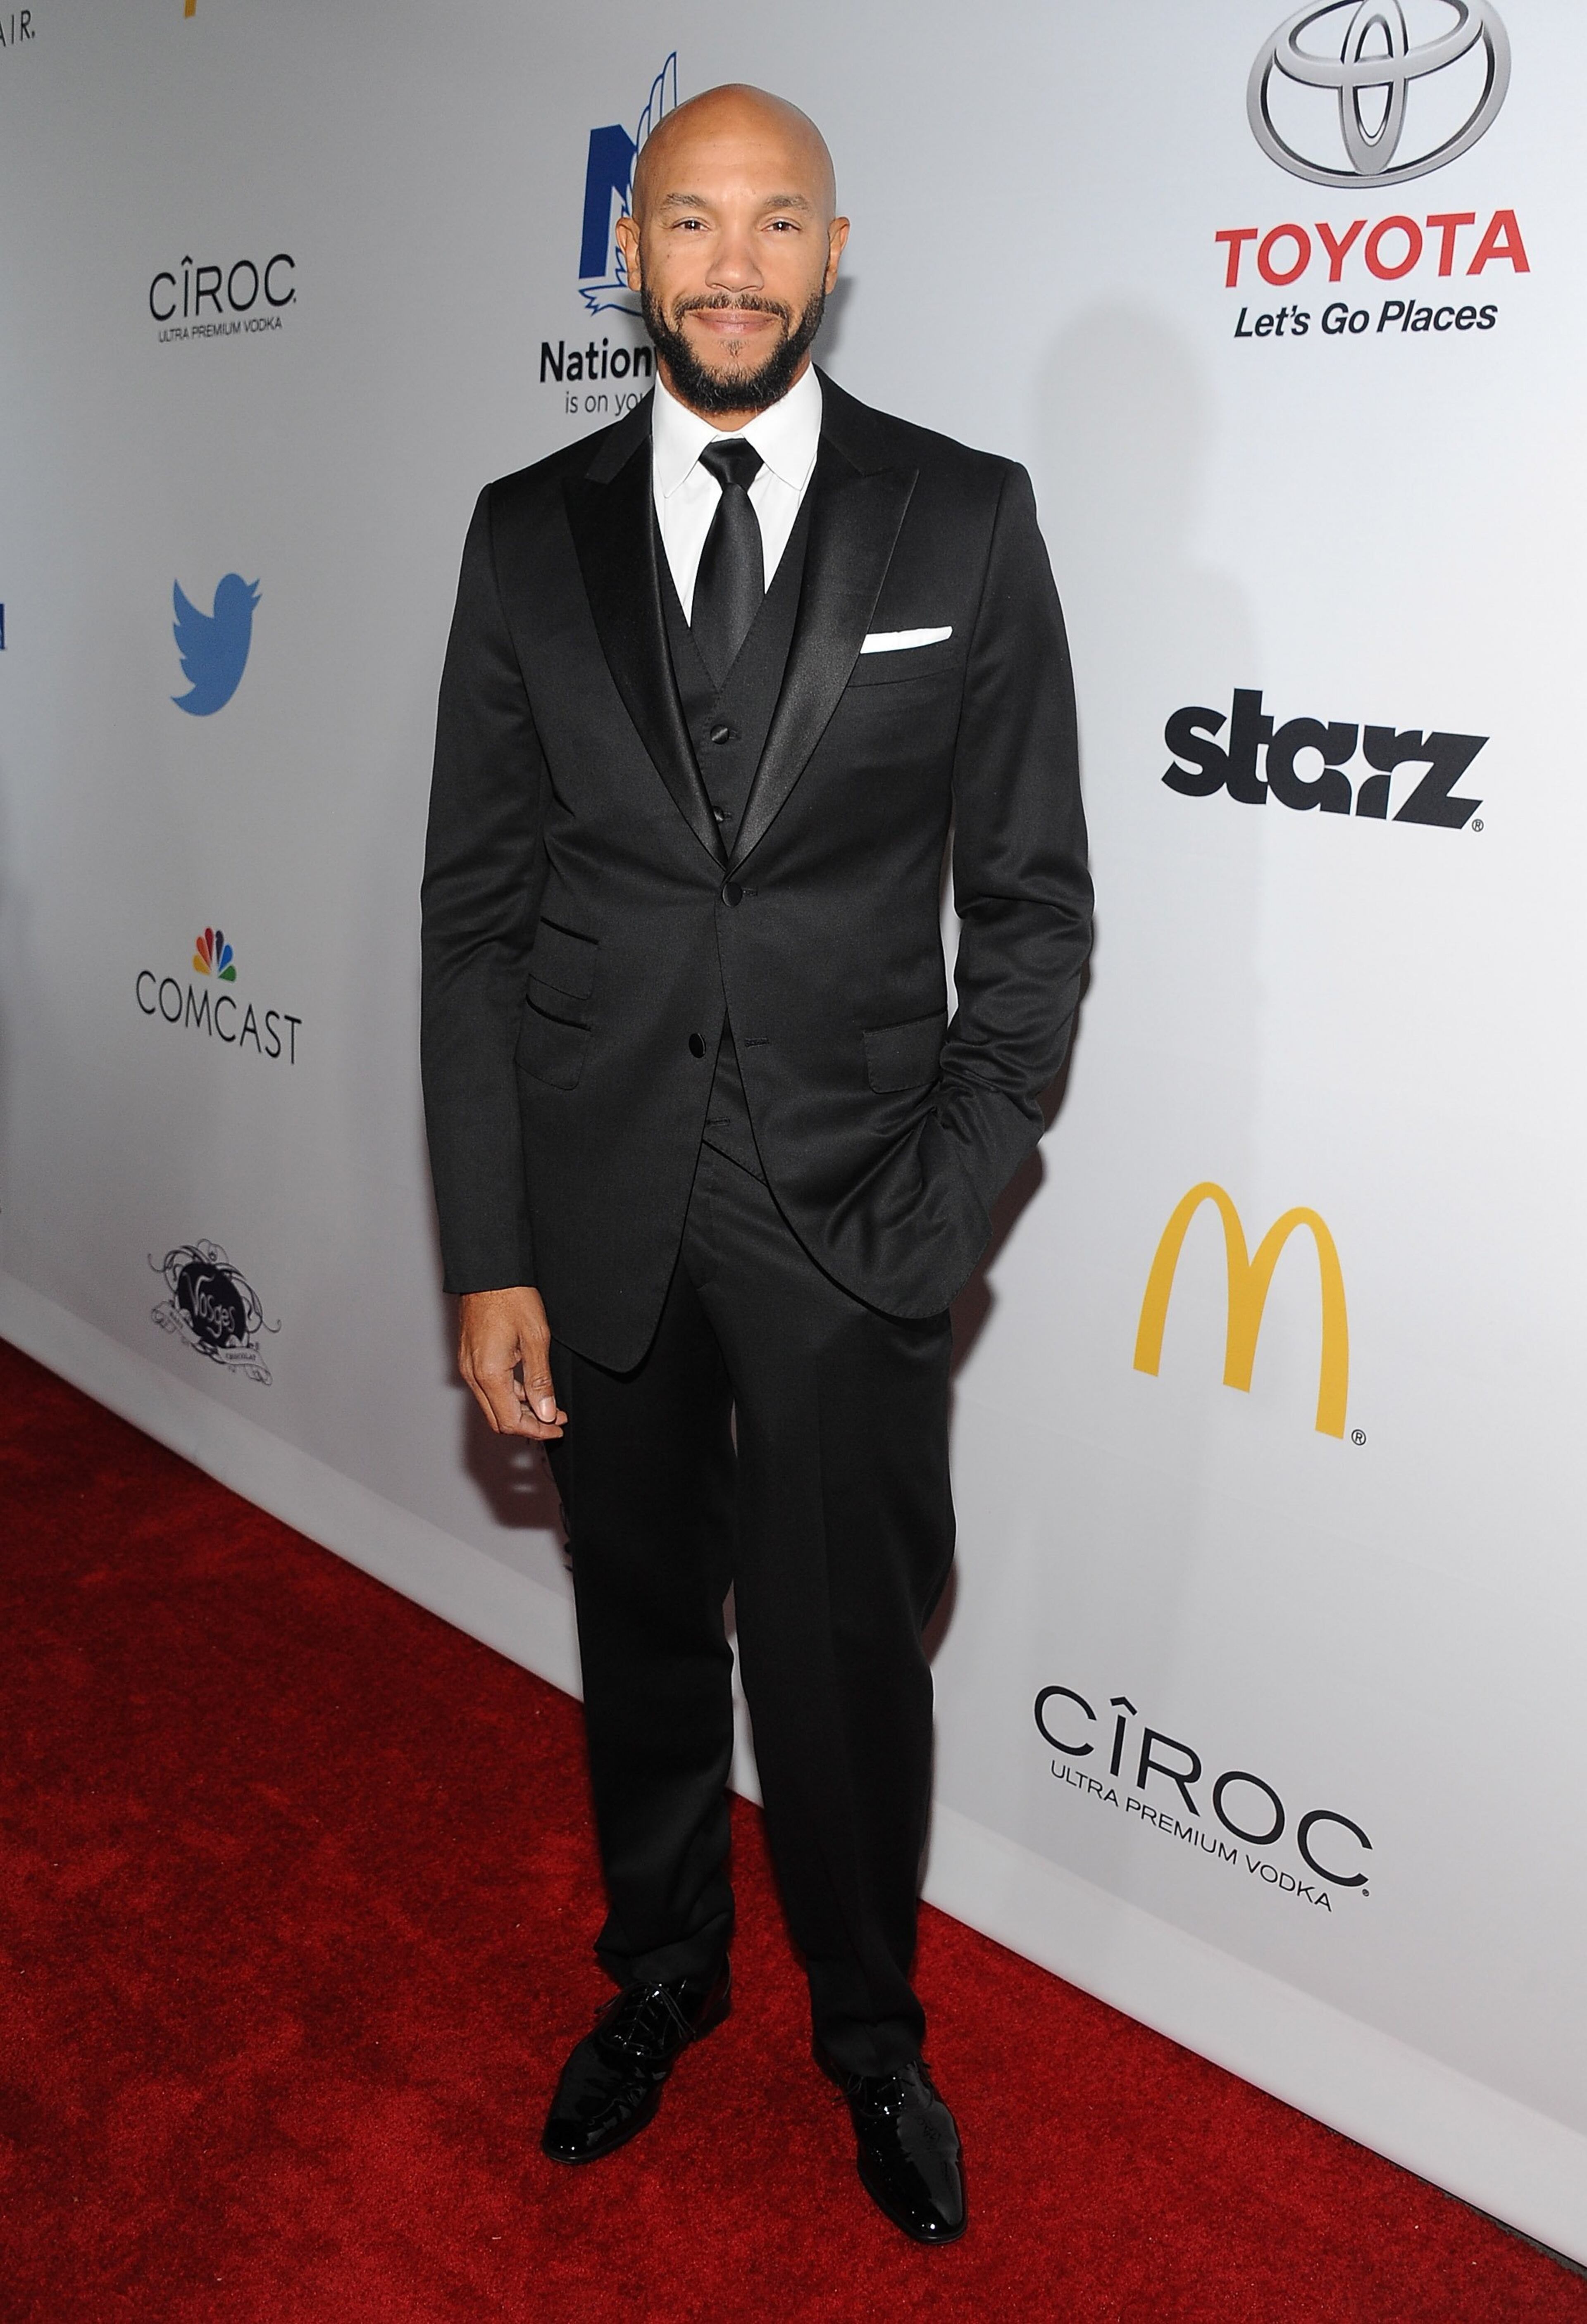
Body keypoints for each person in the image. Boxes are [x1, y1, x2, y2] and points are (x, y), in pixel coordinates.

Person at [421, 82, 1091, 2245]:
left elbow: (1038, 912)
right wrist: (492, 1250)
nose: (728, 263)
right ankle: (663, 1973)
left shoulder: (965, 520)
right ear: (637, 254)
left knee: (841, 1661)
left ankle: (873, 2038)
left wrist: (946, 1200)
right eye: (689, 223)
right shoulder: (526, 532)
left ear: (835, 246)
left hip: (852, 1218)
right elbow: (476, 917)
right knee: (638, 1633)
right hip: (601, 1198)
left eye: (772, 222)